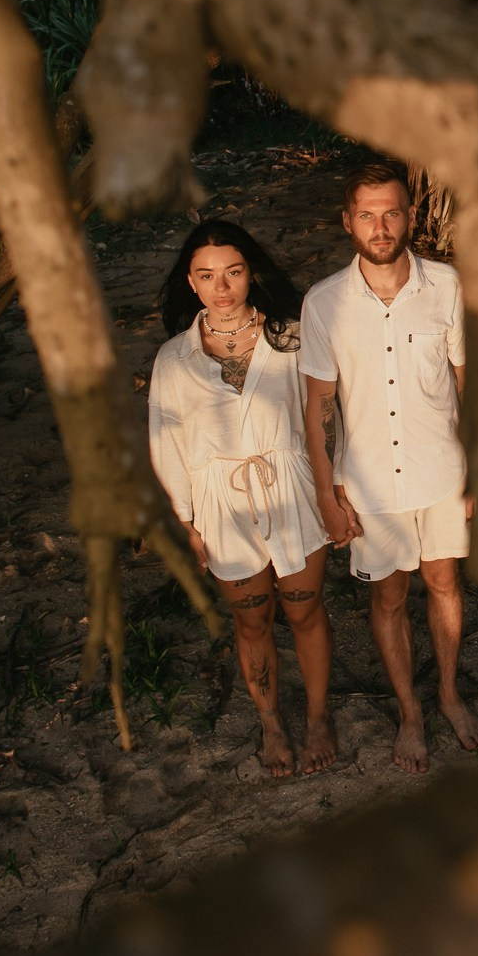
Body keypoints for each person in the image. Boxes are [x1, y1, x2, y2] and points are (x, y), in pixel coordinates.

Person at [300, 160, 478, 773]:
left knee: (444, 581)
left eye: (391, 214)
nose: (380, 227)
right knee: (389, 594)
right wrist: (328, 494)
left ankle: (449, 694)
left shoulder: (447, 287)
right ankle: (410, 712)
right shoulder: (324, 303)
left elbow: (469, 382)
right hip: (371, 479)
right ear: (347, 221)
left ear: (410, 217)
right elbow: (318, 407)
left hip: (442, 469)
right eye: (367, 215)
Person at [147, 220, 339, 777]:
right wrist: (187, 521)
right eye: (207, 276)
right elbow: (167, 443)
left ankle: (319, 718)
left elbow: (326, 417)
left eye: (232, 272)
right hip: (221, 505)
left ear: (250, 273)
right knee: (252, 622)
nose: (222, 286)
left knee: (304, 610)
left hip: (292, 489)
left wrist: (334, 489)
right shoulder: (174, 359)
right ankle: (272, 724)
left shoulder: (292, 338)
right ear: (191, 283)